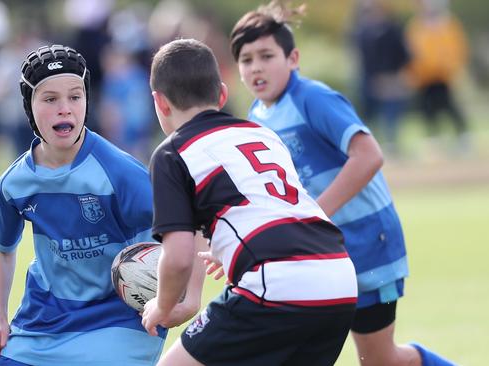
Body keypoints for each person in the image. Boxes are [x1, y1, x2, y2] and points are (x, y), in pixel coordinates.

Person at [229, 1, 454, 365]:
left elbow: (369, 155)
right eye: (246, 59)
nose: (256, 67)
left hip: (366, 240)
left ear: (293, 58)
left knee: (380, 361)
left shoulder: (312, 98)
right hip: (318, 251)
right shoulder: (256, 117)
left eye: (266, 55)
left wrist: (314, 216)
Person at [0, 44, 203, 366]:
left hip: (120, 319)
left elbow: (190, 223)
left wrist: (190, 299)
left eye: (75, 96)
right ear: (28, 107)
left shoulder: (120, 173)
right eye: (49, 99)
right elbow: (1, 249)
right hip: (43, 320)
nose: (64, 108)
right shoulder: (15, 182)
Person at [141, 38, 358, 366]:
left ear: (160, 102)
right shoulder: (263, 134)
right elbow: (266, 206)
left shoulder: (172, 153)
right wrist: (224, 251)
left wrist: (163, 304)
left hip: (276, 283)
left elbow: (179, 257)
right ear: (222, 94)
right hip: (338, 278)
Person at [405, 0, 469, 153]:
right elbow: (410, 51)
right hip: (424, 77)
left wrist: (452, 67)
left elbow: (458, 48)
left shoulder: (448, 24)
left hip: (444, 76)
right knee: (427, 110)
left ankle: (462, 137)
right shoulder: (416, 26)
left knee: (450, 106)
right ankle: (434, 141)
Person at [351, 0, 411, 156]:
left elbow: (404, 53)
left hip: (391, 77)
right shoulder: (361, 33)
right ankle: (370, 145)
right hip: (369, 78)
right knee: (369, 113)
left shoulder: (391, 30)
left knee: (391, 111)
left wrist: (393, 73)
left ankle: (391, 143)